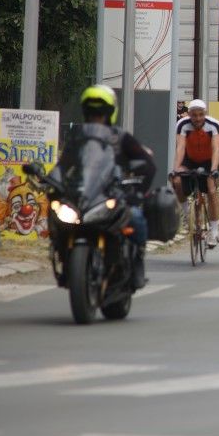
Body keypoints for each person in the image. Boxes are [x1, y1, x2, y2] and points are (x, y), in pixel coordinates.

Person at [59, 85, 156, 287]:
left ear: (109, 114)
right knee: (57, 216)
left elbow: (148, 165)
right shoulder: (77, 137)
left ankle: (137, 261)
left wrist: (137, 193)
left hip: (113, 194)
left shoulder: (121, 137)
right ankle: (62, 257)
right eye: (92, 113)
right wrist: (50, 179)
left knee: (136, 217)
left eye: (100, 114)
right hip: (83, 194)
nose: (96, 118)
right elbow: (63, 165)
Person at [171, 98, 219, 248]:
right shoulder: (182, 124)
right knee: (176, 181)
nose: (198, 118)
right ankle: (187, 215)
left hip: (208, 160)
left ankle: (214, 232)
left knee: (211, 190)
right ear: (189, 114)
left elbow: (216, 148)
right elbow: (180, 147)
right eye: (194, 115)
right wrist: (176, 168)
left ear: (205, 114)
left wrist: (214, 170)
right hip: (190, 159)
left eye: (201, 115)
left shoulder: (214, 125)